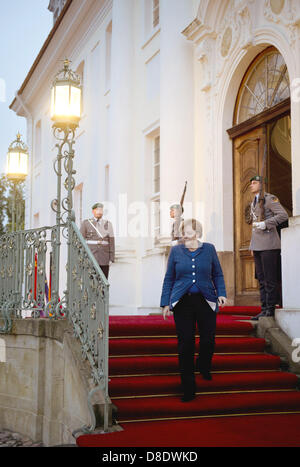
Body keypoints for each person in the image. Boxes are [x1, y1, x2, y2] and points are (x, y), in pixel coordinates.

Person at [160, 218, 227, 402]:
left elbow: (218, 274)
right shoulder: (175, 251)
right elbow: (169, 278)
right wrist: (166, 303)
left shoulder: (209, 249)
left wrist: (221, 293)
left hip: (206, 301)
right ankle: (188, 388)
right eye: (183, 231)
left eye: (187, 231)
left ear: (197, 233)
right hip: (182, 303)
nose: (184, 234)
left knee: (208, 340)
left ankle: (204, 365)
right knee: (186, 343)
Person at [248, 176, 288, 321]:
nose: (251, 185)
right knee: (262, 278)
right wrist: (252, 245)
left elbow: (283, 215)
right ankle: (264, 308)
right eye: (251, 183)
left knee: (270, 279)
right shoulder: (253, 201)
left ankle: (270, 309)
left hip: (270, 244)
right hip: (258, 245)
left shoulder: (270, 199)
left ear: (262, 184)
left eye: (255, 183)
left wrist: (266, 223)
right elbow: (253, 226)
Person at [80, 203, 115, 279]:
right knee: (91, 281)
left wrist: (111, 258)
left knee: (103, 281)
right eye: (97, 210)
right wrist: (83, 256)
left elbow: (111, 241)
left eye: (101, 210)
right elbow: (81, 241)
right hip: (91, 257)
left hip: (104, 257)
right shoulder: (86, 223)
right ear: (93, 211)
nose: (99, 212)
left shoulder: (108, 224)